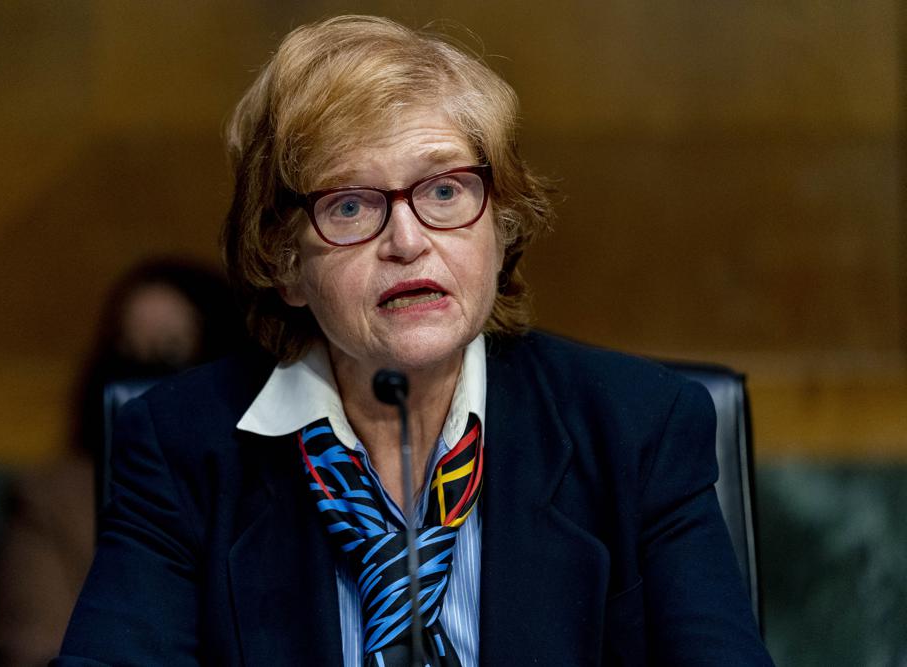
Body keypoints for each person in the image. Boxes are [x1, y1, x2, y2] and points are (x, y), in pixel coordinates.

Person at [54, 15, 773, 666]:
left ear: (502, 224)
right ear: (284, 261)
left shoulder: (637, 429)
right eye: (349, 203)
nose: (407, 240)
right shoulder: (181, 449)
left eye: (444, 191)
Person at [0, 258, 240, 667]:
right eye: (125, 351)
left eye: (171, 352)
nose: (141, 384)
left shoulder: (285, 486)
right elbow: (32, 644)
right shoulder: (52, 499)